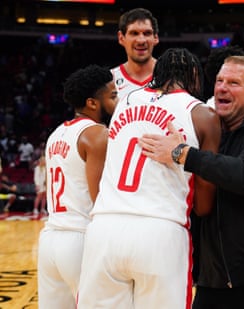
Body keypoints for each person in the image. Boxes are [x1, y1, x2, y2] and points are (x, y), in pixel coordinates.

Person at [140, 55, 244, 308]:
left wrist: (184, 154)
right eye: (219, 81)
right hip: (214, 278)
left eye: (234, 83)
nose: (222, 88)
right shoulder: (206, 131)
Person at [77, 48, 221, 309]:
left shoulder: (124, 102)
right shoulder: (201, 114)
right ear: (194, 75)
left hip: (104, 228)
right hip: (160, 229)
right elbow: (203, 206)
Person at [38, 64, 117, 309]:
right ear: (93, 103)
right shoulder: (98, 134)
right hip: (80, 239)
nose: (118, 100)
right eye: (113, 95)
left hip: (50, 239)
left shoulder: (57, 133)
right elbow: (99, 199)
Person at [111, 8, 159, 102]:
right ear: (121, 38)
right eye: (134, 33)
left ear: (155, 38)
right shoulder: (109, 81)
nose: (141, 40)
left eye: (147, 33)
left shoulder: (173, 79)